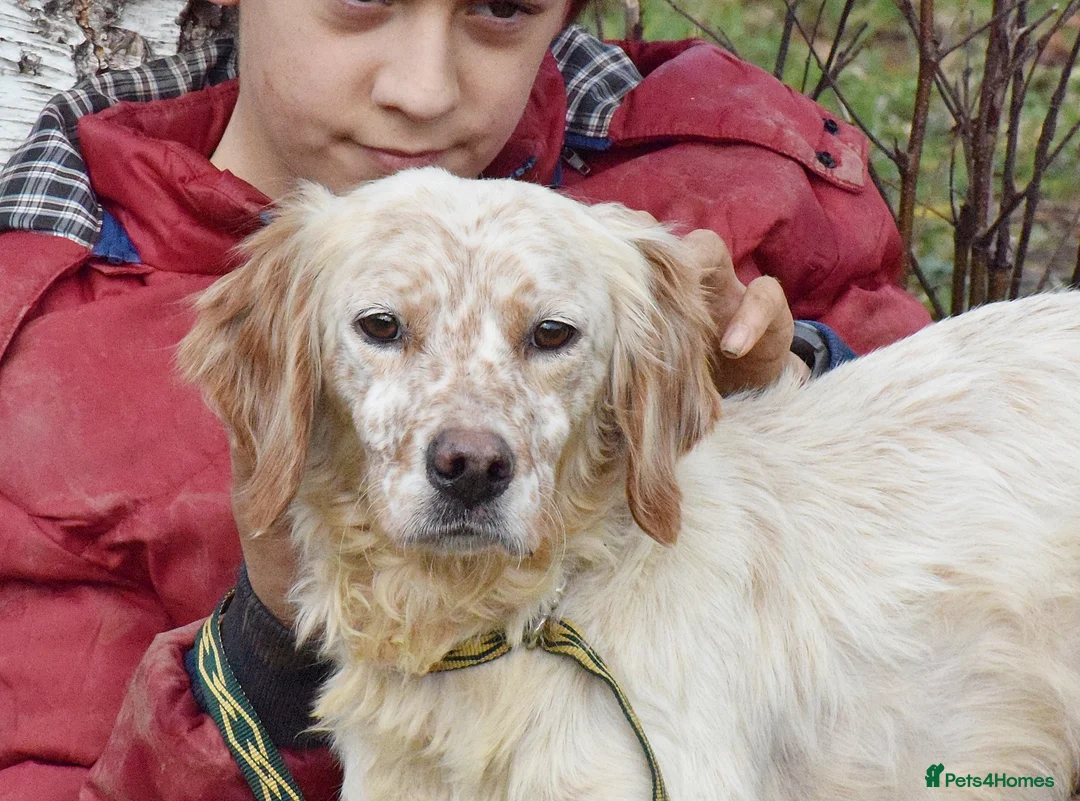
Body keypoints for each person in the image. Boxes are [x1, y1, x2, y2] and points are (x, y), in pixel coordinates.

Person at [0, 0, 931, 797]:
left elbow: (972, 523)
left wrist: (790, 373)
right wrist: (269, 642)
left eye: (499, 7)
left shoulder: (722, 172)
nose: (425, 90)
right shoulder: (46, 362)